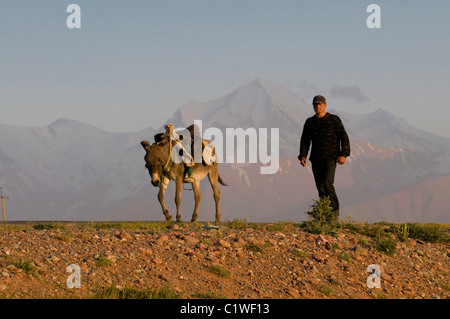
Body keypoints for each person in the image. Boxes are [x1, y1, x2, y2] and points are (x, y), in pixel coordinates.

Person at [298, 95, 350, 218]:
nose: (318, 106)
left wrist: (343, 154)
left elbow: (344, 136)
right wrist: (303, 156)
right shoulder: (310, 122)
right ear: (313, 106)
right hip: (316, 158)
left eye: (320, 104)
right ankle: (325, 215)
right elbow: (305, 140)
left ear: (325, 105)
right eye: (315, 104)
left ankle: (334, 215)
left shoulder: (334, 120)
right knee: (320, 187)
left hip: (331, 158)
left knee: (327, 183)